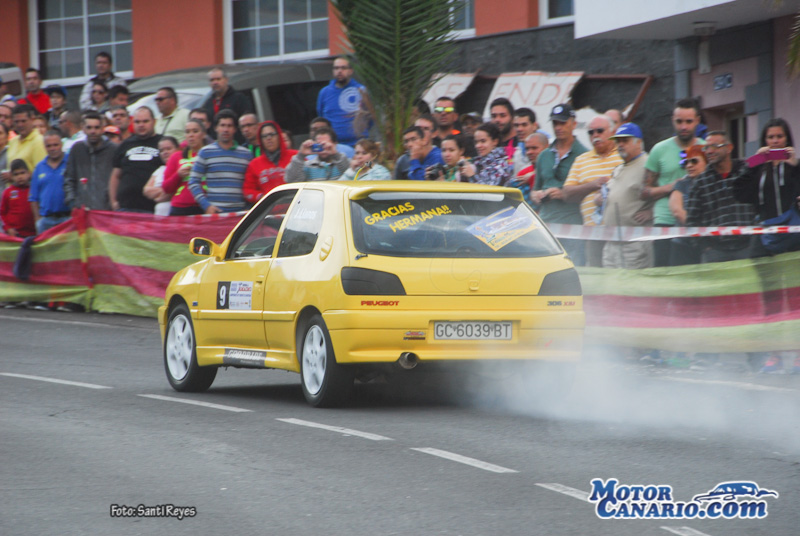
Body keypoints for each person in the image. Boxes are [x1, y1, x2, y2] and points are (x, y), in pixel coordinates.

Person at [643, 98, 705, 266]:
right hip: (665, 221)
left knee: (695, 273)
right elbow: (644, 191)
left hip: (697, 221)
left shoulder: (706, 149)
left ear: (697, 121)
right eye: (679, 121)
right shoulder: (659, 150)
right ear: (672, 120)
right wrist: (672, 187)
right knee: (663, 272)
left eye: (688, 121)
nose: (683, 127)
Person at [686, 131, 757, 263]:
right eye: (706, 147)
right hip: (714, 252)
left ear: (729, 148)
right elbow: (692, 220)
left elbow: (760, 205)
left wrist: (755, 242)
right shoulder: (700, 182)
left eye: (715, 146)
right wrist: (704, 247)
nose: (709, 151)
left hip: (748, 247)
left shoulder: (746, 172)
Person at [562, 115, 624, 266]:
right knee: (596, 274)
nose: (595, 135)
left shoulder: (623, 155)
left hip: (620, 231)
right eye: (591, 132)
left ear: (612, 131)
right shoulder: (581, 160)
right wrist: (592, 185)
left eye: (600, 131)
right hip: (592, 232)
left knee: (620, 273)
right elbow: (567, 193)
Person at [531, 103, 588, 264]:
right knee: (544, 267)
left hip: (572, 224)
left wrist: (563, 194)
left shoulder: (584, 155)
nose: (558, 127)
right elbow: (535, 188)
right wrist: (536, 195)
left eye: (563, 123)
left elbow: (589, 192)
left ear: (574, 124)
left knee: (573, 268)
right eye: (555, 123)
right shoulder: (544, 155)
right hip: (546, 223)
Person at [600, 123, 653, 269]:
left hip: (634, 243)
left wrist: (652, 212)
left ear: (639, 142)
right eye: (618, 141)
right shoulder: (619, 168)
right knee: (610, 283)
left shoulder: (648, 165)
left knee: (632, 283)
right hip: (611, 242)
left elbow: (666, 191)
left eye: (625, 140)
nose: (620, 145)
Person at [733, 118, 800, 226]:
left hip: (794, 225)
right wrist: (755, 160)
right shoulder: (758, 166)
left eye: (780, 136)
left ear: (787, 139)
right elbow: (739, 192)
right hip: (766, 226)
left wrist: (795, 166)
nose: (775, 141)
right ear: (765, 140)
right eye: (770, 137)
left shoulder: (795, 164)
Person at [188, 109, 252, 213]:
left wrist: (248, 208)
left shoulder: (246, 154)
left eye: (229, 126)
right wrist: (206, 206)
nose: (225, 129)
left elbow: (251, 184)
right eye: (222, 125)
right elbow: (193, 182)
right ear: (216, 128)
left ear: (235, 129)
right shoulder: (205, 152)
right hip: (215, 213)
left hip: (241, 213)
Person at [109, 107, 164, 212]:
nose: (141, 125)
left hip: (153, 209)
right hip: (126, 207)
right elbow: (115, 175)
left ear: (154, 122)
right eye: (137, 122)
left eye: (145, 121)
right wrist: (113, 202)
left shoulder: (163, 143)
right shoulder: (125, 144)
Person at [64, 111, 117, 211]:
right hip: (82, 210)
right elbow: (69, 178)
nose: (93, 131)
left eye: (96, 127)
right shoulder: (77, 149)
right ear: (83, 128)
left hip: (107, 211)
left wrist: (113, 203)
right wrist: (73, 202)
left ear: (102, 129)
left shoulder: (113, 150)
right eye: (89, 127)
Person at [316, 56, 367, 147]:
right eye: (336, 68)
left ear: (351, 71)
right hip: (333, 145)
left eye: (343, 68)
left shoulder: (361, 90)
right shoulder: (324, 92)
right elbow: (321, 116)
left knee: (368, 159)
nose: (339, 71)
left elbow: (370, 117)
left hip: (358, 145)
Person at [668, 144, 706, 265]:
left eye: (694, 161)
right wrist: (698, 230)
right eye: (686, 162)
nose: (689, 165)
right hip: (683, 245)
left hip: (708, 245)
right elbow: (676, 211)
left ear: (706, 162)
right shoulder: (682, 184)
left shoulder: (714, 183)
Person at [243, 121, 297, 203]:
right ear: (261, 140)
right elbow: (247, 190)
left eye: (272, 134)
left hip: (295, 205)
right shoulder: (254, 164)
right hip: (271, 208)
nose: (268, 138)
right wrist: (261, 197)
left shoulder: (295, 156)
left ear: (279, 136)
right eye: (264, 136)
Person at [29, 130, 71, 234]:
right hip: (46, 221)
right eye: (49, 146)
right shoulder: (39, 167)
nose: (52, 148)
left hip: (67, 218)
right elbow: (33, 197)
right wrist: (38, 220)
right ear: (44, 147)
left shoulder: (71, 163)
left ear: (61, 144)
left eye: (55, 145)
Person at [162, 119, 206, 216]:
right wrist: (178, 175)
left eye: (195, 131)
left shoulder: (211, 155)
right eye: (187, 132)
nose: (191, 135)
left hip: (204, 207)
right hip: (179, 207)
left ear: (203, 134)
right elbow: (166, 188)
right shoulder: (176, 156)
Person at [203, 67, 253, 142]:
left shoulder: (239, 98)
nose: (215, 82)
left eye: (218, 79)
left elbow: (246, 122)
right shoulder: (208, 103)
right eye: (212, 80)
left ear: (226, 80)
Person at [6, 104, 46, 180]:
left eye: (23, 121)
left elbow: (41, 173)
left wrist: (15, 177)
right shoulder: (12, 141)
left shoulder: (39, 141)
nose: (20, 125)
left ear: (32, 120)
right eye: (16, 122)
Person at [143, 136, 180, 215]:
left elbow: (176, 191)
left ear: (178, 149)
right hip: (159, 215)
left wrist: (161, 194)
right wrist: (166, 192)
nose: (165, 152)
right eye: (161, 150)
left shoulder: (181, 167)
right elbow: (146, 190)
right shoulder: (160, 170)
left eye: (168, 149)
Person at [1, 159, 36, 237]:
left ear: (29, 173)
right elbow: (2, 213)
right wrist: (8, 228)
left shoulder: (34, 190)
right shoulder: (8, 192)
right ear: (11, 176)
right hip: (15, 234)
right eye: (16, 174)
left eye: (22, 173)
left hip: (33, 233)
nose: (20, 177)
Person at [512, 132, 548, 205]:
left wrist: (533, 175)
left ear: (547, 148)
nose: (529, 152)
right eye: (527, 149)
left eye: (534, 148)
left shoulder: (556, 169)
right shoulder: (523, 174)